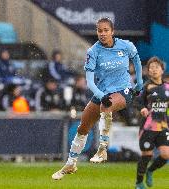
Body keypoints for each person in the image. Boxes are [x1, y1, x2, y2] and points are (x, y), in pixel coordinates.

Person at [52, 17, 143, 180]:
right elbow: (89, 81)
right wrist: (101, 96)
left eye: (105, 30)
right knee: (83, 127)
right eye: (99, 30)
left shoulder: (126, 45)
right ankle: (71, 163)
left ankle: (102, 149)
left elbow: (136, 59)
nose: (102, 34)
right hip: (102, 92)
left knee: (106, 107)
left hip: (124, 90)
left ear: (112, 31)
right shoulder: (93, 52)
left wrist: (139, 83)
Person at [135, 57, 169, 189]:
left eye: (156, 67)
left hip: (163, 126)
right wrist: (142, 108)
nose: (153, 70)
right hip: (148, 127)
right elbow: (137, 101)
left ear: (162, 70)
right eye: (151, 68)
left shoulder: (167, 87)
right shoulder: (145, 86)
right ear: (148, 71)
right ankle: (139, 182)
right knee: (147, 155)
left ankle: (150, 171)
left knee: (166, 154)